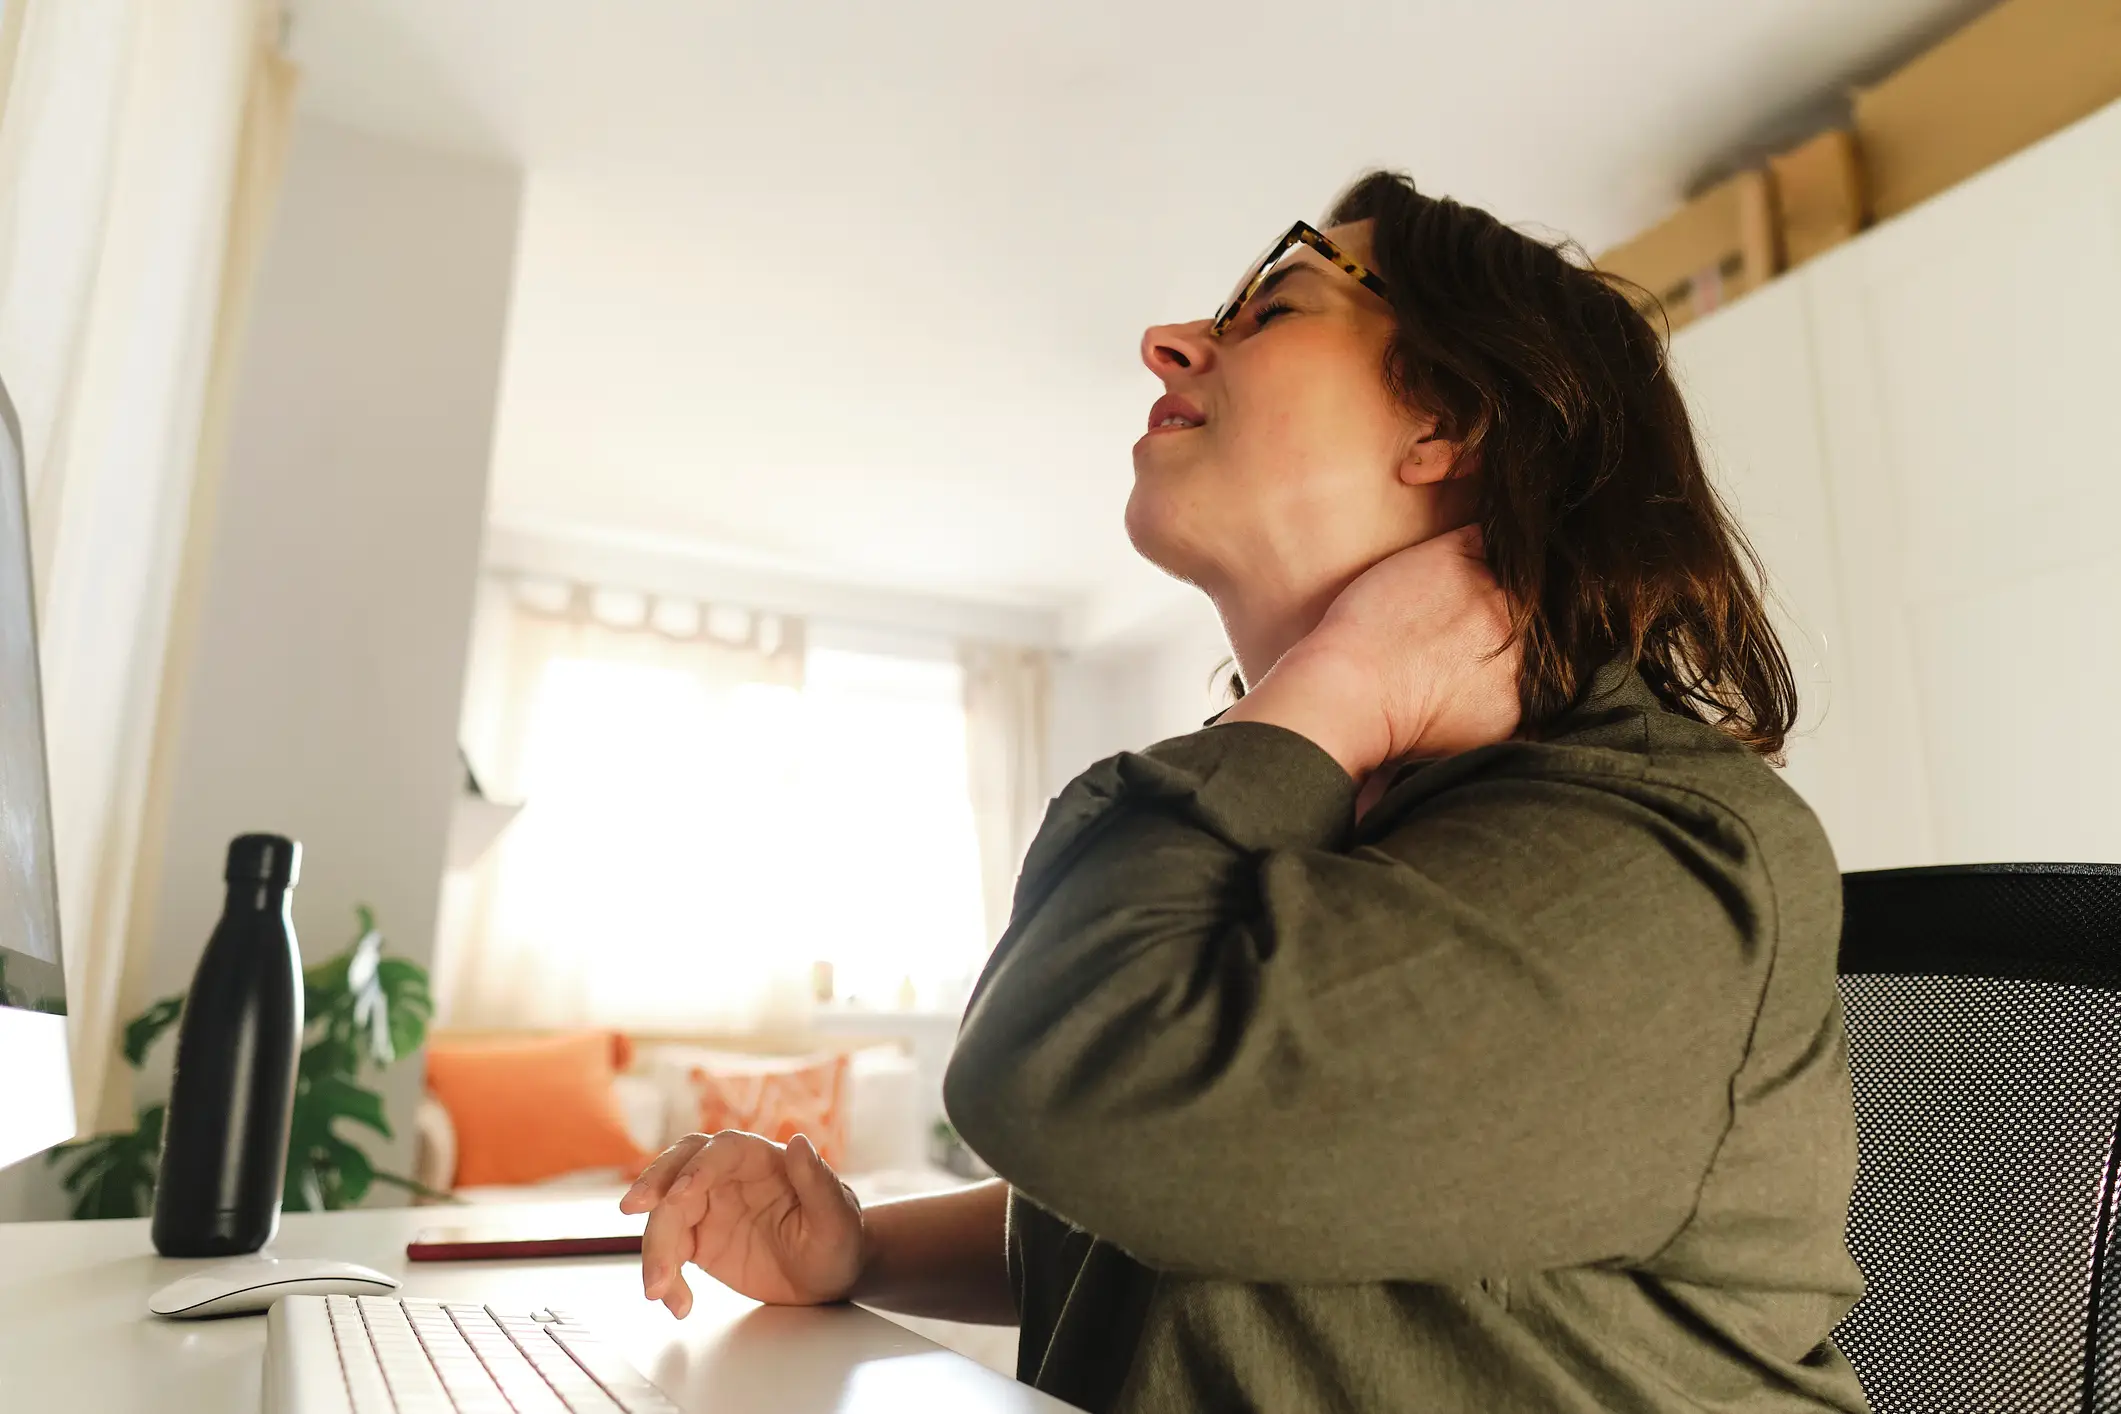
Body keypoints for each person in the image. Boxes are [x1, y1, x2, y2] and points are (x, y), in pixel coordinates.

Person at [620, 171, 1871, 1414]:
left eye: (1273, 309)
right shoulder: (1339, 798)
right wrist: (863, 1248)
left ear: (1446, 420)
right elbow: (1211, 1186)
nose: (1167, 343)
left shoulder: (1656, 859)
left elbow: (1090, 1068)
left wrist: (1338, 679)